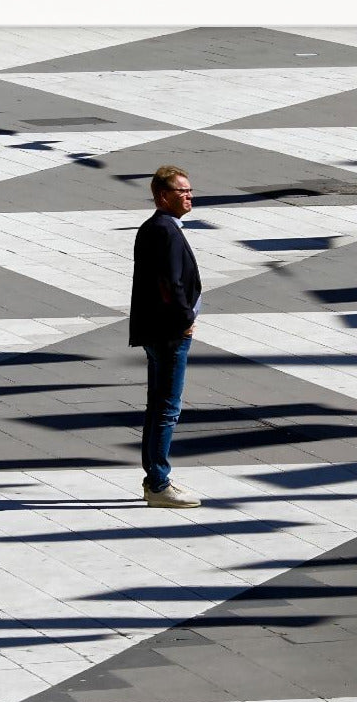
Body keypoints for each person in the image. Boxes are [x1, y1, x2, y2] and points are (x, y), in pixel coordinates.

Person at [129, 165, 203, 508]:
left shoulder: (154, 227)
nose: (189, 196)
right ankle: (159, 483)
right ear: (163, 196)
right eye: (181, 191)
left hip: (156, 331)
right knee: (167, 410)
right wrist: (185, 318)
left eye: (189, 190)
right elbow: (169, 283)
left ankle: (154, 480)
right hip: (170, 333)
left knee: (157, 406)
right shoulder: (166, 231)